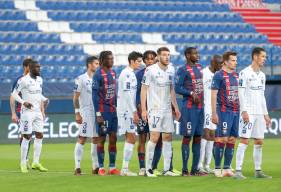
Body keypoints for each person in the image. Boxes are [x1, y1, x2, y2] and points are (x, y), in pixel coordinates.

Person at [141, 47, 181, 177]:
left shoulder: (171, 69)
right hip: (155, 109)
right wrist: (143, 109)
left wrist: (176, 107)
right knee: (154, 137)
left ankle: (167, 169)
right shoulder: (150, 70)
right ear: (158, 56)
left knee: (168, 137)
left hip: (167, 110)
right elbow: (144, 90)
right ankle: (148, 169)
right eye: (164, 55)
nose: (167, 57)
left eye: (168, 55)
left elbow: (171, 90)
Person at [234, 47, 272, 179]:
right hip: (248, 112)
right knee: (244, 140)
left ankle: (258, 171)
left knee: (259, 141)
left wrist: (266, 114)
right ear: (255, 57)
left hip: (259, 113)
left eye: (265, 57)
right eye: (262, 56)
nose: (264, 59)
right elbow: (241, 93)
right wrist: (244, 111)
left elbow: (262, 96)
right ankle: (238, 171)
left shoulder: (262, 75)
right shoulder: (244, 73)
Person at [12, 60, 49, 173]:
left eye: (39, 67)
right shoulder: (23, 80)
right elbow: (13, 94)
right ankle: (23, 163)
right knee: (27, 136)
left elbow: (38, 94)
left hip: (38, 112)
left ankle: (36, 162)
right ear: (31, 68)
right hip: (27, 112)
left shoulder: (40, 80)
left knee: (40, 135)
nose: (39, 69)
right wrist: (23, 102)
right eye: (37, 67)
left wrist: (44, 99)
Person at [175, 47, 205, 176]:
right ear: (187, 55)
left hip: (200, 108)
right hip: (188, 108)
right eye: (194, 53)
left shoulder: (199, 67)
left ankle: (195, 169)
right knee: (187, 137)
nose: (197, 55)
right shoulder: (182, 70)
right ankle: (185, 170)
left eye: (197, 53)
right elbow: (177, 88)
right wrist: (191, 93)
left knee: (198, 138)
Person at [211, 51, 239, 178]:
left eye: (236, 60)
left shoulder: (237, 75)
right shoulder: (218, 75)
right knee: (222, 138)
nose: (235, 62)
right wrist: (214, 113)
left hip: (236, 111)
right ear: (226, 61)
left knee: (232, 139)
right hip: (223, 111)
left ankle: (227, 168)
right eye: (233, 60)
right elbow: (213, 94)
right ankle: (217, 168)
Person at [92, 51, 120, 176]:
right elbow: (94, 95)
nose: (112, 60)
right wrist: (98, 113)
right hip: (103, 111)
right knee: (102, 138)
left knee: (113, 138)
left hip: (113, 110)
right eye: (109, 59)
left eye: (112, 58)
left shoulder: (113, 72)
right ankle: (101, 167)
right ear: (102, 60)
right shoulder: (97, 75)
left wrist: (116, 106)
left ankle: (112, 167)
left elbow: (114, 92)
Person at [117, 51, 143, 176]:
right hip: (126, 111)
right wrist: (134, 112)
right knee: (131, 137)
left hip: (128, 109)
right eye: (138, 61)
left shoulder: (130, 73)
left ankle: (125, 169)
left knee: (131, 137)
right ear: (131, 61)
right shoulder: (127, 74)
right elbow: (127, 94)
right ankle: (125, 169)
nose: (140, 63)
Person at [73, 56, 100, 176]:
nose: (98, 65)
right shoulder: (81, 79)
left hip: (96, 113)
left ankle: (95, 167)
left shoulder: (97, 78)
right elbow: (75, 97)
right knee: (82, 138)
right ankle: (77, 167)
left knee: (95, 139)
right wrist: (77, 113)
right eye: (96, 63)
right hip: (85, 112)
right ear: (89, 65)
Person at [198, 55, 222, 174]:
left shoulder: (219, 75)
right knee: (205, 134)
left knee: (212, 135)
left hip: (215, 109)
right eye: (219, 64)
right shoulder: (203, 73)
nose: (221, 66)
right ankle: (199, 164)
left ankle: (207, 165)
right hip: (205, 108)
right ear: (213, 62)